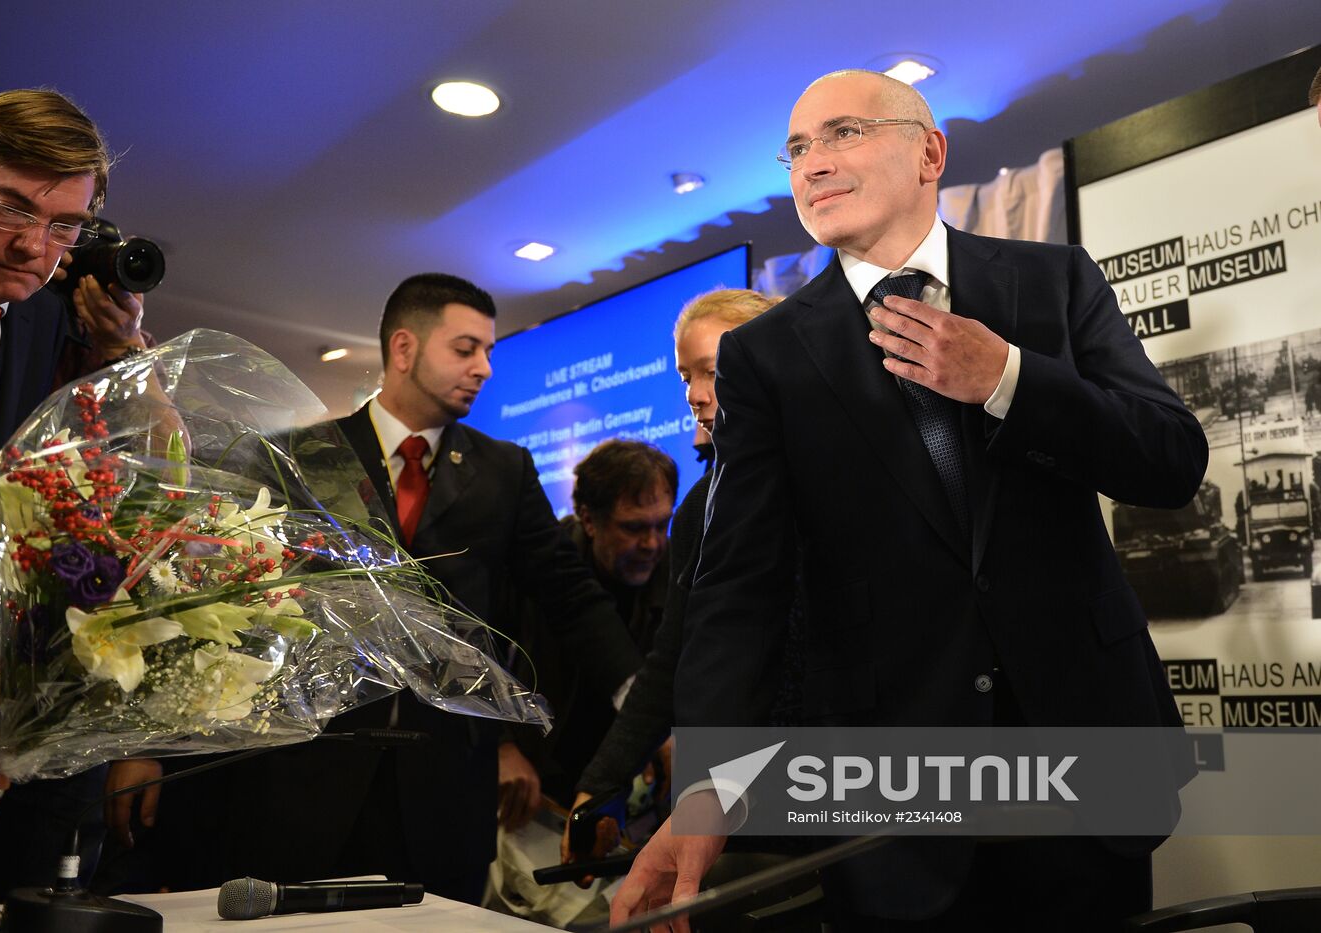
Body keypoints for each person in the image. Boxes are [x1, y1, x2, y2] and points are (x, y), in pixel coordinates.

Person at [613, 69, 1207, 931]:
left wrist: (1006, 377)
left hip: (1085, 763)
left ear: (929, 151)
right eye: (797, 149)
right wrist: (710, 781)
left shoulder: (1053, 283)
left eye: (843, 133)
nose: (811, 164)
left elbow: (1170, 459)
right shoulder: (767, 356)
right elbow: (739, 589)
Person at [122, 273, 643, 904]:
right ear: (404, 349)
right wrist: (149, 744)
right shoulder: (306, 456)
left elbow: (572, 598)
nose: (483, 368)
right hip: (305, 773)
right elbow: (220, 608)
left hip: (444, 782)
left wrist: (641, 701)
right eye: (465, 348)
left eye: (488, 352)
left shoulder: (505, 471)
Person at [0, 89, 147, 904]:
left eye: (64, 226)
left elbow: (1, 501)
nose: (34, 247)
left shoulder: (38, 317)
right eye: (10, 207)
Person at [562, 289, 779, 874]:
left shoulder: (834, 479)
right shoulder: (700, 508)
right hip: (723, 801)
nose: (693, 395)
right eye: (687, 376)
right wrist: (600, 784)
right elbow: (669, 662)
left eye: (712, 372)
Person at [502, 439, 677, 820]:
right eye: (633, 528)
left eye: (662, 525)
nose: (652, 543)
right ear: (588, 518)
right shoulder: (537, 568)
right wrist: (501, 747)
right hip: (528, 792)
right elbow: (479, 653)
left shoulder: (682, 580)